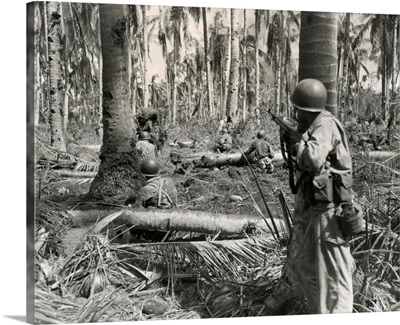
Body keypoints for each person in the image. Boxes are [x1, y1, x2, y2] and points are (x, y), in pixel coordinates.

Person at [287, 78, 355, 314]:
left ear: (305, 109)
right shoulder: (315, 126)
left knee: (336, 276)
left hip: (331, 211)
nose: (295, 114)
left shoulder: (324, 125)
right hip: (320, 209)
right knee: (304, 265)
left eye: (298, 109)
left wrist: (300, 147)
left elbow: (315, 159)